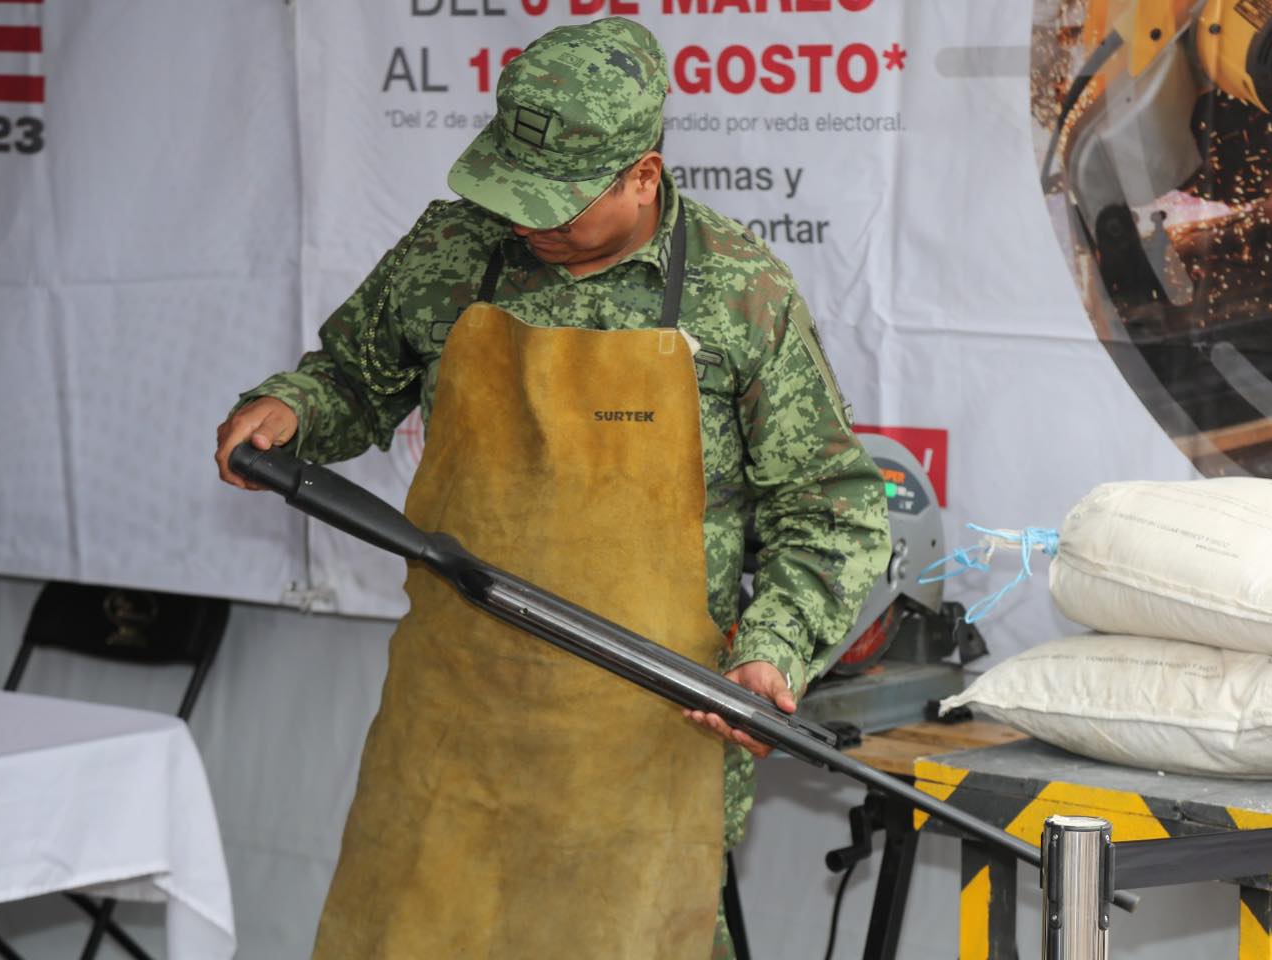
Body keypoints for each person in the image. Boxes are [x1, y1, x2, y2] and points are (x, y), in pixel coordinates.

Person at [215, 16, 889, 959]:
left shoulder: (740, 294)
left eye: (560, 206)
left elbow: (829, 509)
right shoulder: (453, 248)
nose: (530, 224)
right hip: (456, 720)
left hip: (638, 732)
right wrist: (292, 408)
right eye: (514, 195)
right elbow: (353, 377)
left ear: (643, 176)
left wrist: (769, 653)